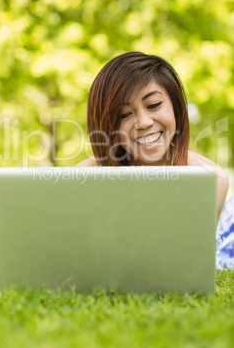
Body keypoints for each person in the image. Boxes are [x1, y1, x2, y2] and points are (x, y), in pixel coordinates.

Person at [76, 52, 233, 269]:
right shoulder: (85, 175)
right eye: (124, 115)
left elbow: (190, 266)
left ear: (176, 108)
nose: (143, 122)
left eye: (154, 105)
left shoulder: (209, 177)